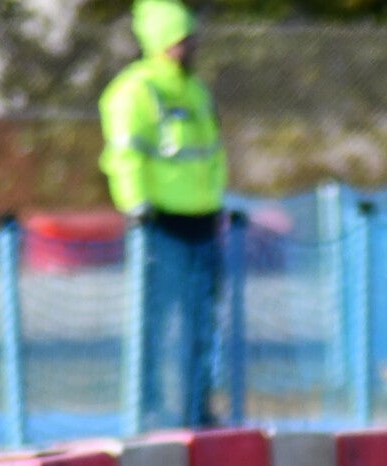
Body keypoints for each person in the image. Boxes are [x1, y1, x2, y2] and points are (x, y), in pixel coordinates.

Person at [99, 0, 228, 427]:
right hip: (159, 225)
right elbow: (124, 155)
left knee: (201, 323)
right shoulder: (135, 91)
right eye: (178, 40)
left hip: (202, 222)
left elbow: (212, 153)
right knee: (152, 323)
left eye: (190, 39)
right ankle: (147, 408)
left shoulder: (196, 91)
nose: (187, 48)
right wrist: (136, 205)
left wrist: (216, 201)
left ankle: (195, 410)